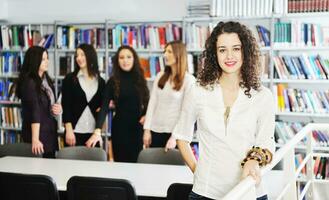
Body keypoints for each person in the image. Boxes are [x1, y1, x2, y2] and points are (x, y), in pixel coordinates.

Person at [173, 21, 275, 200]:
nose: (229, 56)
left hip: (249, 191)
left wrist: (253, 160)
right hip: (205, 193)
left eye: (236, 48)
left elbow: (267, 141)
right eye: (222, 50)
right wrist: (199, 173)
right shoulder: (198, 91)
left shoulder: (263, 96)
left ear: (246, 51)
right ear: (214, 53)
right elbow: (182, 137)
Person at [86, 45, 150, 163]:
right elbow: (104, 106)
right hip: (119, 130)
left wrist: (147, 116)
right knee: (121, 165)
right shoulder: (113, 81)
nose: (125, 60)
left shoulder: (140, 80)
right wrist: (97, 131)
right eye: (121, 57)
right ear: (117, 61)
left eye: (128, 57)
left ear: (134, 59)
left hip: (137, 130)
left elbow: (148, 103)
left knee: (137, 165)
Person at [143, 40, 195, 151]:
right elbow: (152, 104)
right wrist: (147, 130)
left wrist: (174, 137)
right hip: (155, 131)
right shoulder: (160, 75)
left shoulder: (189, 80)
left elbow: (186, 112)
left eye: (169, 52)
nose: (165, 55)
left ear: (179, 55)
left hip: (175, 134)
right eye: (165, 51)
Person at [16, 46, 62, 158]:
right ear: (34, 61)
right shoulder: (30, 83)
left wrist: (58, 109)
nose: (47, 62)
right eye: (43, 59)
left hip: (49, 133)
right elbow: (34, 111)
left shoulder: (46, 80)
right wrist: (35, 139)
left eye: (47, 58)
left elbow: (47, 105)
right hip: (38, 136)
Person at [61, 43, 105, 147]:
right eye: (77, 55)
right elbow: (66, 106)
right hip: (74, 132)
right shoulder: (70, 79)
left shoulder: (101, 81)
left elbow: (103, 107)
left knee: (93, 163)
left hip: (93, 134)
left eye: (82, 55)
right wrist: (69, 130)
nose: (79, 58)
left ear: (90, 56)